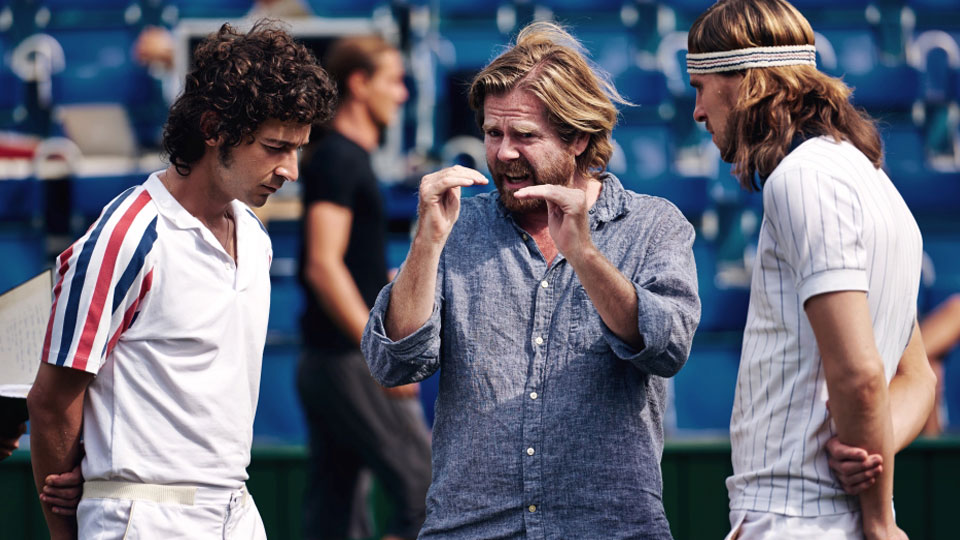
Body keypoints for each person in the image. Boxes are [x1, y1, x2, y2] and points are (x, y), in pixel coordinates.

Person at [361, 21, 700, 539]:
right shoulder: (458, 227)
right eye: (493, 133)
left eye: (525, 136)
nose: (503, 153)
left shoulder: (654, 225)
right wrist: (426, 242)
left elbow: (666, 348)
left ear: (580, 137)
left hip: (608, 529)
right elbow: (394, 363)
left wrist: (582, 253)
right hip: (470, 529)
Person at [27, 21, 335, 540]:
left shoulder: (255, 237)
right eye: (275, 147)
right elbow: (53, 399)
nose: (291, 170)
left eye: (298, 149)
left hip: (235, 508)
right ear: (214, 129)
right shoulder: (127, 236)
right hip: (140, 517)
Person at [685, 1, 936, 538]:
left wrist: (877, 516)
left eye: (700, 86)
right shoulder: (871, 179)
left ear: (743, 82)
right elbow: (916, 379)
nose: (698, 111)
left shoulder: (804, 179)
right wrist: (870, 447)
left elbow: (862, 374)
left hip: (797, 519)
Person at [297, 35, 431, 540]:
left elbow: (347, 265)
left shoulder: (345, 159)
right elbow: (322, 266)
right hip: (348, 362)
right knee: (426, 496)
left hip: (327, 363)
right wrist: (383, 356)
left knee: (334, 516)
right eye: (392, 81)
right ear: (358, 84)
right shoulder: (338, 160)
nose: (401, 94)